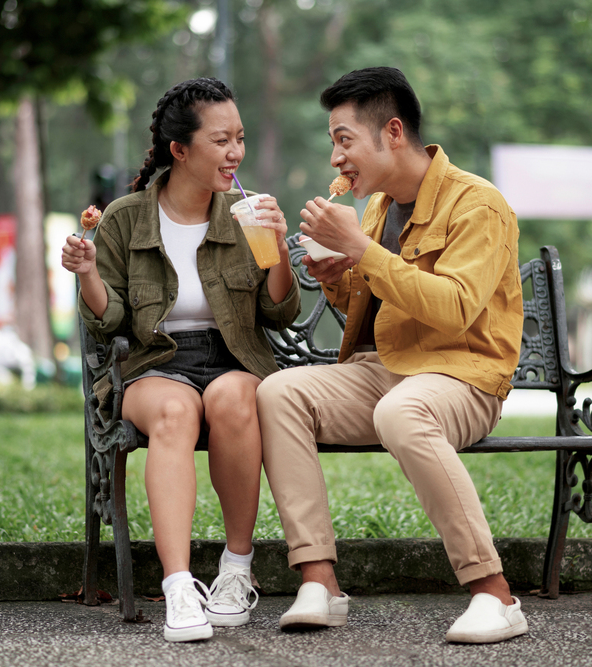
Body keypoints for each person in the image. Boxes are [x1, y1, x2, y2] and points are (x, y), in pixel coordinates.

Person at [257, 67, 527, 644]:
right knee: (278, 392)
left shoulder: (480, 204)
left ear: (394, 132)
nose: (335, 158)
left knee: (402, 413)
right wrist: (338, 275)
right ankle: (320, 582)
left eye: (344, 139)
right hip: (386, 371)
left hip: (462, 374)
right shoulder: (380, 207)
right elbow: (377, 305)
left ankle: (494, 595)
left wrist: (362, 249)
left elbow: (455, 308)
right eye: (334, 141)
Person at [62, 77, 300, 643]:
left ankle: (236, 572)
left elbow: (279, 313)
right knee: (174, 413)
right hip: (153, 360)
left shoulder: (247, 212)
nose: (234, 153)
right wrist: (88, 271)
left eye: (239, 139)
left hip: (232, 354)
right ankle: (177, 586)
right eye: (221, 141)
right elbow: (111, 320)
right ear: (180, 150)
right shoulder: (124, 219)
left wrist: (281, 251)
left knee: (240, 399)